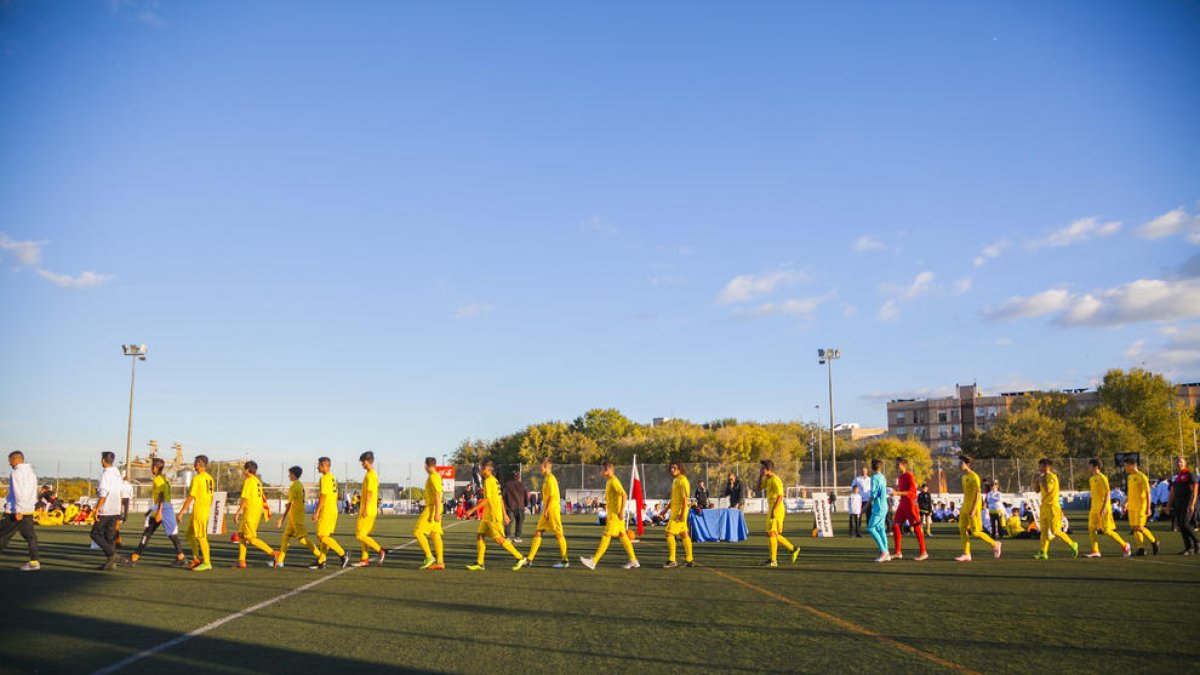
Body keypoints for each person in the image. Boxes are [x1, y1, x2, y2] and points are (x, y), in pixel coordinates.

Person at [463, 458, 528, 571]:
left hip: (493, 515)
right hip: (489, 515)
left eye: (482, 468)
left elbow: (487, 499)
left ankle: (520, 557)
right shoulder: (494, 480)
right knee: (480, 535)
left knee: (499, 539)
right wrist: (505, 514)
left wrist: (471, 510)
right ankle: (480, 563)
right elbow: (500, 498)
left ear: (487, 469)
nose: (481, 471)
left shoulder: (489, 481)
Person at [580, 461, 639, 570]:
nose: (601, 471)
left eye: (602, 469)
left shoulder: (613, 481)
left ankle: (593, 561)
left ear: (608, 470)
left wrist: (621, 511)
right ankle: (633, 560)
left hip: (615, 515)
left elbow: (624, 495)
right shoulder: (609, 482)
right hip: (614, 513)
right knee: (622, 535)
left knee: (606, 536)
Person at [130, 457, 186, 567]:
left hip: (163, 508)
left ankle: (135, 557)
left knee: (148, 532)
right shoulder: (164, 478)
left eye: (152, 467)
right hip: (167, 507)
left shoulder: (157, 479)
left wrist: (159, 511)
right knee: (172, 534)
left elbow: (161, 495)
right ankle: (181, 558)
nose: (151, 468)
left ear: (155, 468)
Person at [232, 461, 279, 569]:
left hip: (250, 512)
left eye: (244, 469)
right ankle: (241, 561)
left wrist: (238, 512)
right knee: (241, 535)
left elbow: (245, 498)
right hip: (254, 510)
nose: (244, 471)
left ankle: (273, 553)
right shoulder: (257, 481)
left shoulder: (249, 481)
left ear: (248, 470)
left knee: (250, 538)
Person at [0, 451, 40, 571]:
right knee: (31, 537)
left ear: (16, 459)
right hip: (28, 509)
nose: (10, 464)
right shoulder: (32, 473)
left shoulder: (16, 473)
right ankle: (34, 562)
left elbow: (18, 492)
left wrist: (19, 510)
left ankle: (34, 562)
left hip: (15, 510)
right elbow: (32, 492)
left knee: (3, 535)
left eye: (10, 461)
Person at [955, 455, 1001, 563]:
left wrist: (974, 509)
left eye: (961, 463)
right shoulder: (963, 477)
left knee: (975, 532)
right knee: (962, 529)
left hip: (973, 508)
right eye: (959, 463)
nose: (959, 465)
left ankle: (995, 544)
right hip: (965, 507)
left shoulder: (974, 477)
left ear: (967, 464)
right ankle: (967, 554)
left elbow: (978, 494)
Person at [276, 465, 322, 569]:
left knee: (302, 539)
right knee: (285, 536)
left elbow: (290, 504)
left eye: (290, 474)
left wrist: (282, 519)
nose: (288, 476)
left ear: (293, 475)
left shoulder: (294, 486)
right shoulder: (299, 485)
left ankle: (321, 557)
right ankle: (280, 561)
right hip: (296, 515)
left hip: (296, 517)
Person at [526, 458, 568, 569]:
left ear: (547, 467)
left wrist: (546, 510)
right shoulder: (546, 479)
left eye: (541, 467)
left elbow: (551, 497)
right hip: (548, 510)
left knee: (558, 534)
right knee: (538, 532)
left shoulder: (551, 479)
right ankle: (529, 559)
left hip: (552, 510)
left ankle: (565, 560)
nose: (540, 469)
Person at [1033, 458, 1079, 560]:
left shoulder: (1051, 476)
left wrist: (1041, 480)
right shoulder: (1043, 477)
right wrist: (1036, 481)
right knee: (1043, 531)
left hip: (1052, 507)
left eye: (1040, 465)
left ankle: (1072, 544)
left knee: (1055, 531)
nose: (1039, 468)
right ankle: (1043, 552)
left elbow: (1048, 489)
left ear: (1046, 466)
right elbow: (1037, 490)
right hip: (1044, 506)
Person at [1084, 459, 1130, 558]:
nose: (1089, 468)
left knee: (1107, 531)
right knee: (1091, 528)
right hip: (1094, 508)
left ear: (1096, 466)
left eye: (1090, 465)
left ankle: (1125, 545)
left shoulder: (1102, 478)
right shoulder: (1091, 479)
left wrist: (1104, 507)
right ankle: (1095, 550)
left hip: (1103, 508)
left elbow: (1107, 493)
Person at [311, 456, 349, 570]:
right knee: (325, 536)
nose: (317, 467)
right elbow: (336, 495)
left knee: (321, 536)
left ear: (324, 466)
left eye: (319, 465)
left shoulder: (324, 478)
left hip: (327, 510)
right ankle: (321, 561)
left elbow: (323, 496)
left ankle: (343, 554)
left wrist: (317, 511)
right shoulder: (333, 478)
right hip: (333, 509)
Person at [759, 459, 799, 567]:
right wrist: (760, 476)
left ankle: (773, 560)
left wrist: (774, 510)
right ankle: (793, 549)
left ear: (768, 469)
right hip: (771, 507)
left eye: (762, 468)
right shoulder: (767, 479)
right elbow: (758, 488)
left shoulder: (776, 480)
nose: (761, 470)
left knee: (772, 533)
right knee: (772, 534)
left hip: (777, 508)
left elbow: (781, 496)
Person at [91, 452, 125, 571]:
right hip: (115, 508)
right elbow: (121, 491)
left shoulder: (105, 475)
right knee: (110, 537)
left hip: (106, 509)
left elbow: (103, 494)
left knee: (95, 533)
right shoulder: (117, 473)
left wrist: (96, 508)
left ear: (104, 460)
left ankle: (112, 554)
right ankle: (110, 563)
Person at [891, 458, 928, 561]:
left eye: (897, 464)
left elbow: (912, 492)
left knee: (916, 526)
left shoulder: (909, 476)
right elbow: (903, 491)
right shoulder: (901, 477)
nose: (896, 466)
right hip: (903, 503)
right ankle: (898, 552)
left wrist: (897, 493)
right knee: (896, 525)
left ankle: (923, 552)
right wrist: (897, 493)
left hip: (911, 504)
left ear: (903, 465)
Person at [352, 451, 385, 567]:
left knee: (360, 535)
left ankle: (380, 550)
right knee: (363, 535)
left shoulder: (371, 474)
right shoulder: (372, 474)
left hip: (368, 509)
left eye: (362, 462)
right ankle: (364, 559)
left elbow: (370, 493)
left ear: (367, 461)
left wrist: (365, 508)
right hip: (370, 509)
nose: (362, 464)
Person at [414, 457, 446, 570]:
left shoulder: (433, 477)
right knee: (435, 534)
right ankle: (440, 562)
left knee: (418, 532)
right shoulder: (436, 476)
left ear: (426, 466)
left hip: (432, 508)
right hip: (436, 507)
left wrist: (436, 512)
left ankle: (429, 557)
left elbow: (437, 494)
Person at [1122, 455, 1159, 556]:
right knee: (1134, 528)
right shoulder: (1129, 477)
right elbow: (1130, 493)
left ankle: (1154, 541)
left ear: (1132, 465)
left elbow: (1148, 493)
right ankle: (1141, 548)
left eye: (1125, 466)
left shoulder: (1142, 477)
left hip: (1141, 506)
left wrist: (1148, 508)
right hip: (1132, 507)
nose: (1125, 468)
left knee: (1140, 527)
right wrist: (1126, 503)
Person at [663, 462, 695, 569]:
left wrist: (681, 514)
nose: (672, 469)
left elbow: (685, 499)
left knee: (668, 533)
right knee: (684, 534)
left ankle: (672, 560)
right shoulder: (675, 480)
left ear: (680, 469)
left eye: (674, 468)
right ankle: (689, 560)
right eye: (671, 468)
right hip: (675, 511)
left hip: (679, 512)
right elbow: (674, 499)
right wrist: (665, 510)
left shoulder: (683, 480)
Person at [1165, 455, 1199, 555]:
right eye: (1177, 462)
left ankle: (1197, 541)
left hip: (1187, 503)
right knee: (1180, 525)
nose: (1179, 464)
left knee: (1185, 523)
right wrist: (1168, 505)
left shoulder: (1190, 475)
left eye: (1181, 462)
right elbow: (1172, 493)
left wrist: (1192, 504)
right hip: (1178, 504)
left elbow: (1194, 491)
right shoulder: (1175, 477)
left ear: (1185, 463)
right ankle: (1189, 548)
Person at [866, 459, 890, 562]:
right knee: (880, 529)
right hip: (884, 505)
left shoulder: (874, 478)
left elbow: (873, 494)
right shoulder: (883, 477)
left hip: (878, 507)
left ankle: (884, 551)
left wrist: (866, 506)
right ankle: (887, 552)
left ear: (872, 467)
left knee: (870, 528)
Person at [503, 469, 528, 543]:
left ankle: (507, 537)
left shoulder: (507, 484)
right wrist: (526, 504)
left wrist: (505, 504)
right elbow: (526, 495)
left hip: (510, 506)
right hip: (520, 506)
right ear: (518, 477)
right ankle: (517, 537)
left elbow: (503, 495)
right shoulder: (522, 485)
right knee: (519, 522)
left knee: (508, 522)